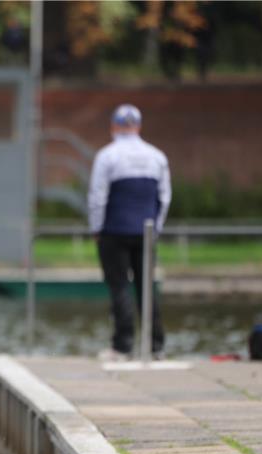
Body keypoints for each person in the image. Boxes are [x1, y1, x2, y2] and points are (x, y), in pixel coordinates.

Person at [88, 104, 171, 362]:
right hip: (145, 233)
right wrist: (156, 227)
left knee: (120, 286)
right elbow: (165, 198)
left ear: (114, 127)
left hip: (114, 231)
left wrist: (96, 228)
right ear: (138, 126)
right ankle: (156, 346)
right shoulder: (157, 156)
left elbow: (97, 197)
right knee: (147, 288)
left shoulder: (107, 156)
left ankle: (122, 347)